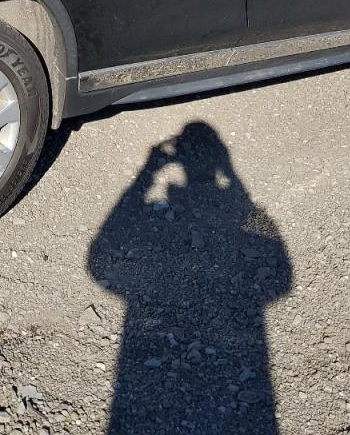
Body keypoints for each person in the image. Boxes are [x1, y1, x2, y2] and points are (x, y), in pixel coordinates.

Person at [89, 121, 292, 434]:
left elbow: (99, 260)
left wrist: (148, 174)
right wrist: (233, 177)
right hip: (244, 359)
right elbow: (281, 279)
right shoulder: (237, 211)